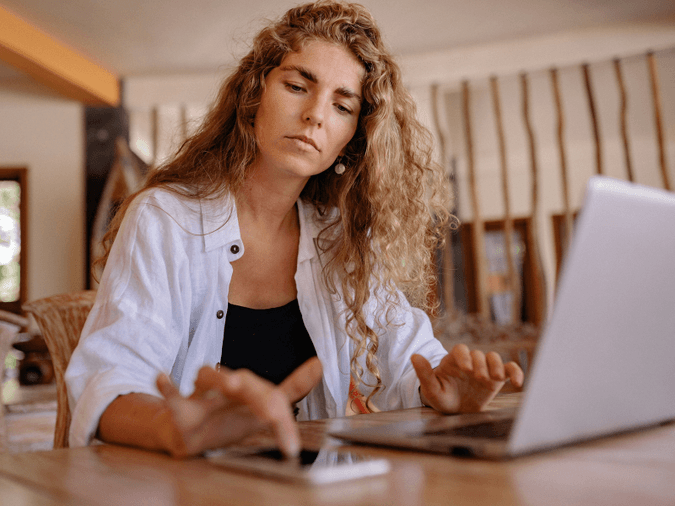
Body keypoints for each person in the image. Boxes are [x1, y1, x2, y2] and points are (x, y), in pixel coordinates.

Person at [66, 0, 523, 459]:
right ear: (254, 95)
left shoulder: (341, 242)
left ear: (352, 140)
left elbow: (410, 364)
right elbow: (110, 379)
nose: (315, 115)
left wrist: (446, 392)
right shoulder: (164, 220)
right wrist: (172, 425)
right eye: (297, 85)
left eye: (343, 106)